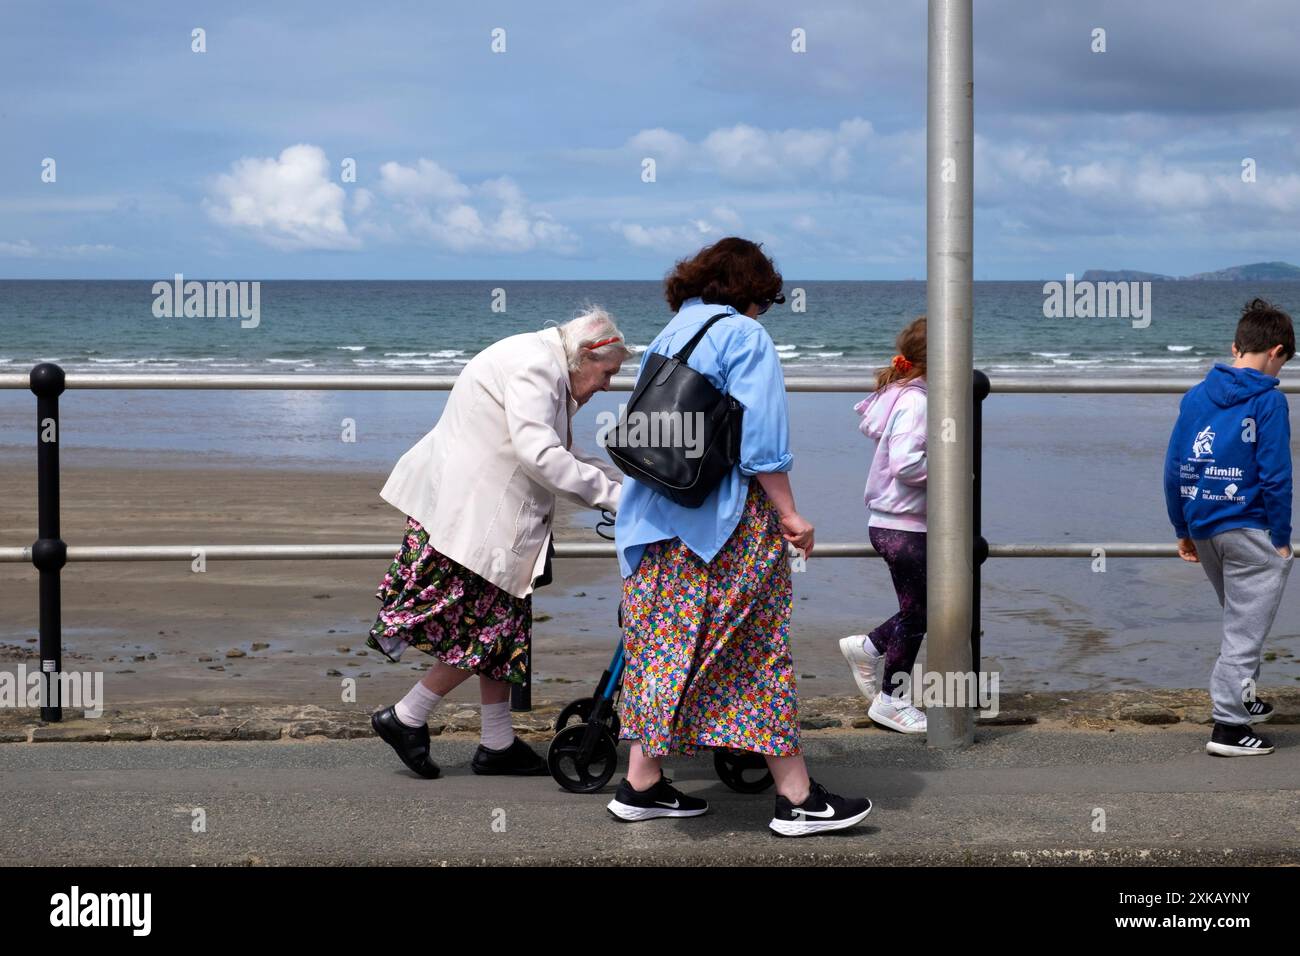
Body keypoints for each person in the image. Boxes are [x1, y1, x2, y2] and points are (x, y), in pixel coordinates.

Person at [609, 237, 872, 837]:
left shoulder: (672, 332)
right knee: (756, 649)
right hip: (720, 525)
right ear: (754, 290)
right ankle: (797, 798)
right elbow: (761, 446)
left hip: (655, 516)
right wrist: (791, 514)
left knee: (667, 646)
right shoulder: (746, 337)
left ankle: (641, 784)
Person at [367, 308, 629, 778]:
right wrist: (621, 499)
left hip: (468, 510)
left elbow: (562, 449)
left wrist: (629, 487)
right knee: (489, 633)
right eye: (607, 373)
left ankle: (497, 742)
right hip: (471, 517)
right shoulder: (537, 367)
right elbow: (542, 456)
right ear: (588, 353)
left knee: (502, 626)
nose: (608, 385)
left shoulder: (541, 360)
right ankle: (406, 716)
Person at [1163, 298, 1294, 757]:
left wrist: (1181, 524)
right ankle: (1229, 729)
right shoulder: (1268, 400)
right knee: (1245, 628)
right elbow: (1276, 473)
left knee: (1240, 618)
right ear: (1277, 352)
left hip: (1204, 524)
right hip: (1250, 526)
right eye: (1282, 364)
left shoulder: (1197, 395)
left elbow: (1176, 467)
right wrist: (1281, 537)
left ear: (1235, 346)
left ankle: (1244, 701)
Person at [839, 317, 929, 734]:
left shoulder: (906, 395)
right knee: (920, 614)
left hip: (897, 522)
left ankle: (869, 646)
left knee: (924, 609)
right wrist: (955, 469)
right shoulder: (918, 402)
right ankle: (891, 700)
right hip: (904, 525)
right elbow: (907, 463)